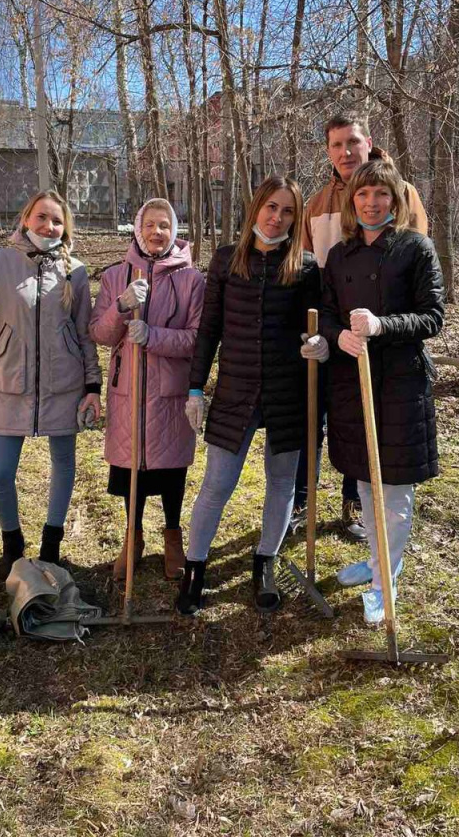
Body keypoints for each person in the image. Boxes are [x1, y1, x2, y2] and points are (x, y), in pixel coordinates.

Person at [176, 175, 323, 616]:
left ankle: (265, 561)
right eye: (271, 207)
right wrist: (195, 387)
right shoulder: (226, 261)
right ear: (256, 207)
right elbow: (209, 330)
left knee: (281, 484)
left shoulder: (307, 267)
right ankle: (195, 568)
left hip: (286, 392)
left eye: (288, 210)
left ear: (297, 218)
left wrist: (320, 346)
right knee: (217, 484)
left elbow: (316, 326)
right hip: (236, 390)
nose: (277, 218)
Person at [310, 160, 444, 623]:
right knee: (365, 481)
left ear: (395, 200)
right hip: (353, 382)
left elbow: (433, 317)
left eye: (381, 195)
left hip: (401, 384)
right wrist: (333, 336)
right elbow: (326, 312)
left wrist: (382, 325)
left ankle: (386, 583)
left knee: (396, 491)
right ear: (353, 201)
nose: (371, 203)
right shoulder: (340, 255)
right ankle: (375, 561)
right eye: (363, 195)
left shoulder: (415, 248)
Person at [0, 190, 101, 578]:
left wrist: (93, 386)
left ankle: (51, 547)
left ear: (65, 227)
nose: (48, 226)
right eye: (42, 217)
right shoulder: (0, 260)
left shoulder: (75, 271)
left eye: (56, 220)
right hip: (8, 383)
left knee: (63, 465)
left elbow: (84, 334)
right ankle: (12, 546)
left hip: (62, 385)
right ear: (25, 219)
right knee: (0, 472)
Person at [294, 111, 429, 542]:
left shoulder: (400, 191)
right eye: (336, 145)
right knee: (316, 423)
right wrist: (320, 330)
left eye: (352, 142)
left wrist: (383, 324)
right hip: (331, 329)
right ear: (328, 152)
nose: (345, 152)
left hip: (382, 336)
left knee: (366, 422)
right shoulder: (315, 204)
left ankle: (354, 501)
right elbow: (306, 269)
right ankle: (301, 501)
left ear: (368, 142)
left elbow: (415, 263)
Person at [89, 198, 205, 580]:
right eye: (151, 225)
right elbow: (101, 335)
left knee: (171, 468)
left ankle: (173, 536)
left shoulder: (191, 280)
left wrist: (153, 336)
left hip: (169, 392)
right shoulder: (115, 276)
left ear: (175, 231)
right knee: (129, 466)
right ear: (138, 228)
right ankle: (133, 535)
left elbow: (196, 340)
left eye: (165, 226)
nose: (158, 232)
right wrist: (121, 307)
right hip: (129, 391)